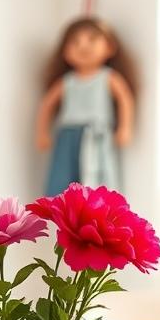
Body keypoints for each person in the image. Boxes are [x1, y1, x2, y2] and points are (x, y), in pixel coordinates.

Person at [36, 17, 137, 196]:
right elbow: (47, 105)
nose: (83, 46)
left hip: (97, 135)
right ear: (65, 52)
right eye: (75, 42)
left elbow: (125, 99)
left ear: (110, 47)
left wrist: (125, 127)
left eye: (92, 39)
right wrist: (42, 133)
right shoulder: (67, 82)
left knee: (97, 178)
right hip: (67, 137)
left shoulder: (108, 77)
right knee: (63, 179)